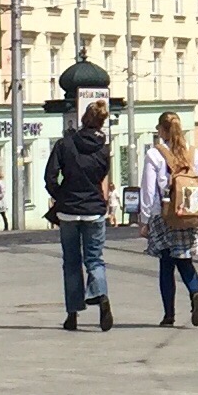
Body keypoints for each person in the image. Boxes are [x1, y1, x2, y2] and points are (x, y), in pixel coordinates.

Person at [44, 99, 116, 330]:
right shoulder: (104, 148)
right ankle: (101, 296)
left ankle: (72, 314)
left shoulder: (65, 144)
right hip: (94, 210)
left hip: (68, 211)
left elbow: (50, 177)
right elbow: (101, 176)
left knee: (71, 263)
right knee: (95, 259)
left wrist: (61, 195)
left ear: (83, 118)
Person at [138, 111, 198, 326]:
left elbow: (148, 191)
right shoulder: (193, 153)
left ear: (163, 130)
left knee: (166, 265)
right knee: (185, 260)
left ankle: (169, 315)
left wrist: (145, 219)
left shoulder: (155, 155)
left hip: (165, 215)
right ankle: (195, 292)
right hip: (189, 214)